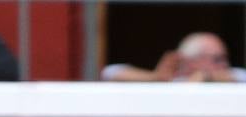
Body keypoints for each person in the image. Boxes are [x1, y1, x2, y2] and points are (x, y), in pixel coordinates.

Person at [102, 32, 246, 83]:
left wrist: (206, 76)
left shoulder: (228, 82)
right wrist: (155, 77)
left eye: (225, 58)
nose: (225, 64)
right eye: (217, 59)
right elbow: (110, 72)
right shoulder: (172, 82)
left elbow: (242, 76)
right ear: (192, 61)